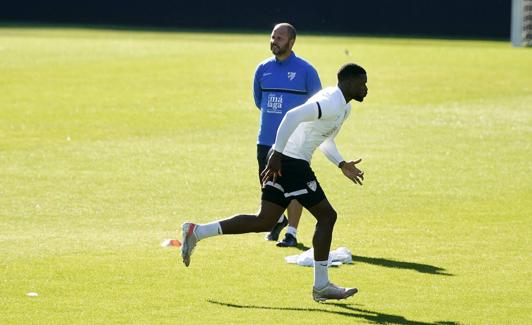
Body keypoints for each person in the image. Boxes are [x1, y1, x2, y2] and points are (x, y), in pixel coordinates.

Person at [180, 63, 368, 302]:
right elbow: (293, 115)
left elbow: (324, 140)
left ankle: (197, 231)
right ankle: (321, 285)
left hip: (289, 159)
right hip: (291, 162)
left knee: (265, 220)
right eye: (362, 83)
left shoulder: (344, 108)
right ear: (349, 83)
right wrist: (277, 153)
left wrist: (342, 164)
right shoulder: (331, 101)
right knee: (327, 216)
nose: (366, 88)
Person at [253, 23, 322, 247]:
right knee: (267, 184)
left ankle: (291, 232)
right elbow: (259, 101)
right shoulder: (262, 69)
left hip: (294, 143)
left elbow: (317, 105)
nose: (274, 41)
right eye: (273, 37)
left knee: (294, 187)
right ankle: (277, 219)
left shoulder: (306, 71)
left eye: (280, 38)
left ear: (292, 42)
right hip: (265, 140)